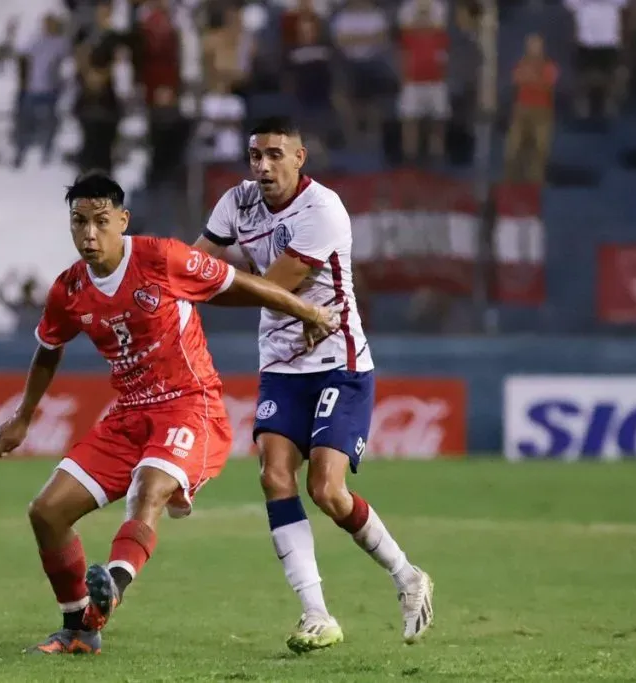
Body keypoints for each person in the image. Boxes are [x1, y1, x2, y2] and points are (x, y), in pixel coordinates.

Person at [0, 170, 339, 655]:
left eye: (101, 221)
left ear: (122, 220)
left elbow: (243, 284)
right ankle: (79, 629)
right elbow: (48, 348)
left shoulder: (161, 258)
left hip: (190, 407)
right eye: (79, 222)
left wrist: (310, 312)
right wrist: (23, 417)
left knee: (148, 489)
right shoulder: (68, 290)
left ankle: (113, 581)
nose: (89, 234)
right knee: (47, 512)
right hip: (129, 414)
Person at [192, 117, 434, 652]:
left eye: (275, 154)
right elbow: (196, 262)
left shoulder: (323, 210)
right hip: (280, 363)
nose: (263, 166)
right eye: (255, 155)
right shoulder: (236, 203)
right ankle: (316, 614)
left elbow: (272, 288)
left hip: (338, 360)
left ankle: (406, 575)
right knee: (274, 476)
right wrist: (183, 278)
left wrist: (208, 287)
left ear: (300, 158)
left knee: (325, 489)